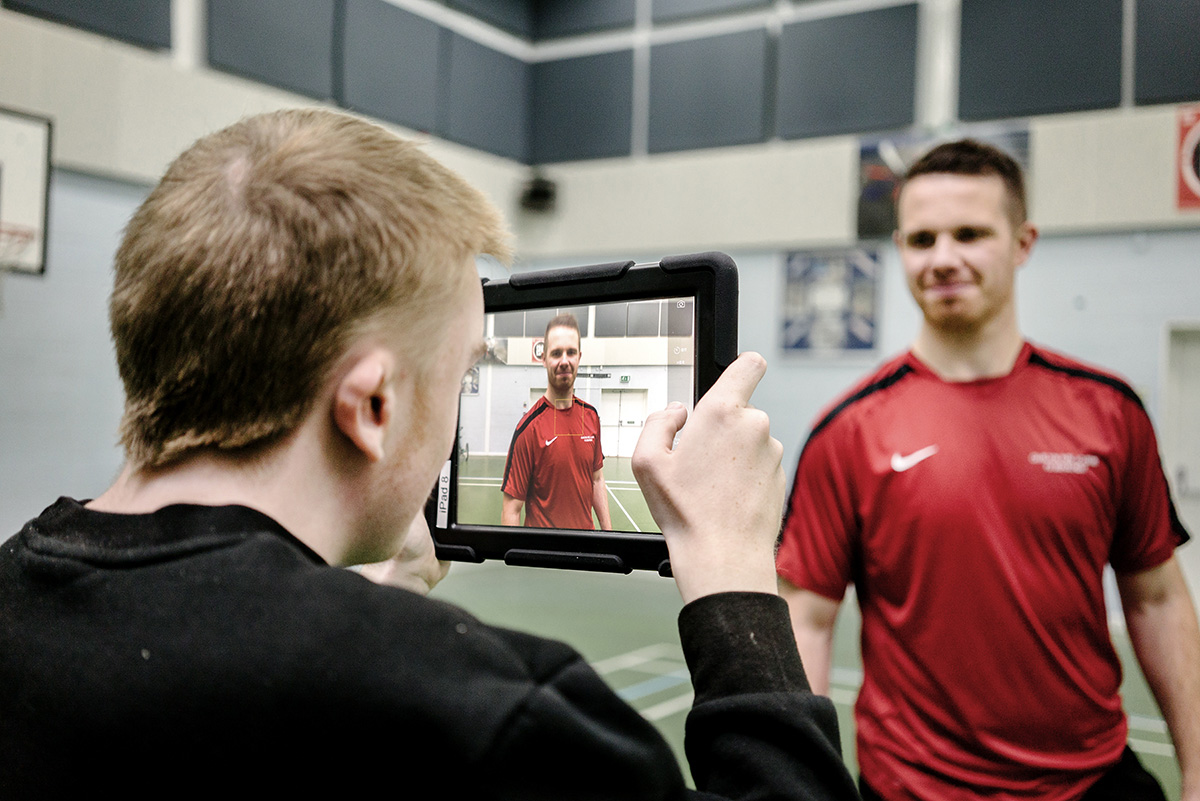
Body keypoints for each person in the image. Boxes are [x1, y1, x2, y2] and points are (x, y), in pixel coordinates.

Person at [0, 108, 860, 799]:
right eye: (461, 378)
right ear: (372, 406)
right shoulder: (478, 715)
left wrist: (376, 589)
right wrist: (738, 591)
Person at [776, 138, 1200, 801]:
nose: (944, 259)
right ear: (900, 249)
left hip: (1092, 780)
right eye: (922, 239)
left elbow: (1158, 597)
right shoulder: (846, 431)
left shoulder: (1110, 412)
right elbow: (807, 620)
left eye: (970, 233)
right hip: (912, 788)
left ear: (1023, 241)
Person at [501, 313, 613, 529]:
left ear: (579, 357)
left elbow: (597, 479)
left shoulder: (591, 416)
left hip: (585, 552)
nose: (564, 361)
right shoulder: (528, 428)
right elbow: (511, 509)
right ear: (544, 359)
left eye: (570, 352)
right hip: (544, 556)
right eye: (556, 353)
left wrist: (608, 534)